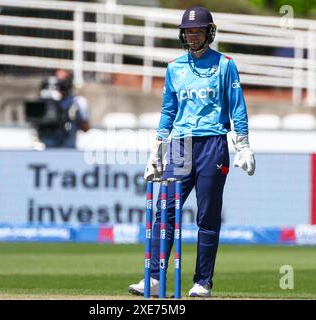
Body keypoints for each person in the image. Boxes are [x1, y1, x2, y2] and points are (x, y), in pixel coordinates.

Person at [129, 7, 256, 297]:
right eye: (188, 31)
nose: (193, 36)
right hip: (180, 145)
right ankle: (154, 279)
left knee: (207, 216)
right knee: (164, 213)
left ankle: (202, 282)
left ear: (209, 32)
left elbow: (237, 106)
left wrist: (244, 144)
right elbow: (168, 111)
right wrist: (158, 147)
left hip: (213, 143)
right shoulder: (174, 67)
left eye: (198, 31)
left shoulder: (224, 64)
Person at [35, 69, 90, 148]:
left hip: (68, 147)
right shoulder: (47, 101)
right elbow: (34, 123)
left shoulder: (78, 102)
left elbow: (86, 129)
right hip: (48, 147)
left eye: (63, 82)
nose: (60, 86)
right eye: (58, 81)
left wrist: (75, 117)